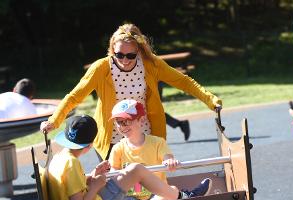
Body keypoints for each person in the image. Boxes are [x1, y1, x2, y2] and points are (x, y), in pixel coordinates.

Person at [40, 23, 222, 160]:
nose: (124, 60)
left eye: (131, 55)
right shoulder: (101, 68)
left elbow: (184, 82)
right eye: (119, 55)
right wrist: (53, 121)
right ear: (112, 50)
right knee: (118, 190)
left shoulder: (151, 65)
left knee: (147, 186)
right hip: (112, 140)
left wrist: (211, 100)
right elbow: (74, 97)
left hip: (144, 137)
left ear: (139, 51)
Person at [48, 114, 212, 200]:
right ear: (90, 145)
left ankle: (176, 195)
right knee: (136, 169)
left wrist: (91, 176)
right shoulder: (72, 163)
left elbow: (73, 187)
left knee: (136, 171)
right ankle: (183, 197)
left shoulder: (60, 158)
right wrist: (94, 187)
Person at [108, 99, 207, 200]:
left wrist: (169, 161)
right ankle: (185, 197)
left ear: (141, 120)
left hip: (156, 194)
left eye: (126, 121)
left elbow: (167, 157)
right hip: (130, 196)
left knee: (170, 190)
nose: (122, 126)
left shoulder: (157, 142)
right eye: (119, 122)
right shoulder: (117, 148)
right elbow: (114, 175)